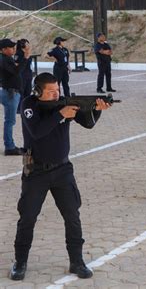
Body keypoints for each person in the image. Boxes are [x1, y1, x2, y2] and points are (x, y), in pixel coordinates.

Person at [9, 72, 111, 281]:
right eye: (51, 92)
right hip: (35, 171)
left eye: (58, 90)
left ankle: (77, 261)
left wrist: (97, 110)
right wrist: (60, 114)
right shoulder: (28, 105)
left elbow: (88, 123)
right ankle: (20, 262)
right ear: (38, 92)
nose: (57, 95)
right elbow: (37, 131)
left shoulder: (64, 103)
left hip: (62, 170)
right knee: (27, 218)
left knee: (72, 216)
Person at [0, 38, 30, 155]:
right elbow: (16, 71)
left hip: (10, 92)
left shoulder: (7, 58)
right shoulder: (4, 60)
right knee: (10, 121)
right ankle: (9, 147)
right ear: (3, 49)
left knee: (9, 120)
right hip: (10, 93)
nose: (14, 49)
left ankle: (10, 145)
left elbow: (16, 68)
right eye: (11, 47)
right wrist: (26, 56)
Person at [15, 39, 33, 104]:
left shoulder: (28, 53)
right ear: (23, 45)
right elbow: (16, 65)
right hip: (22, 74)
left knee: (28, 90)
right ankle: (20, 107)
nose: (29, 45)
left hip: (28, 74)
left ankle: (26, 105)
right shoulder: (18, 53)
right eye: (27, 44)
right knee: (21, 91)